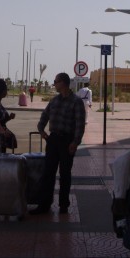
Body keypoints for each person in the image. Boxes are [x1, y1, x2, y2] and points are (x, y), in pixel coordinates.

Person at [29, 72, 86, 215]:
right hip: (53, 140)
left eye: (56, 81)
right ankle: (44, 204)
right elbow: (44, 116)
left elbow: (80, 125)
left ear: (63, 83)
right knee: (48, 173)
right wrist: (42, 131)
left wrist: (75, 142)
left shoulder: (76, 102)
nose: (54, 84)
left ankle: (63, 205)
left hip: (67, 141)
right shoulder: (54, 101)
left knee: (65, 173)